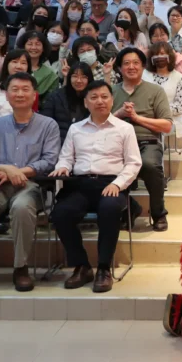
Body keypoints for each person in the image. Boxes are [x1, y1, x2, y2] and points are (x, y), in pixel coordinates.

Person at [0, 73, 60, 291]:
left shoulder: (48, 125)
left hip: (31, 185)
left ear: (35, 95)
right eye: (14, 89)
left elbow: (50, 160)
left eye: (25, 89)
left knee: (22, 207)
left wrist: (18, 172)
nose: (20, 94)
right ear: (7, 95)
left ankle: (21, 267)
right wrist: (7, 169)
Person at [49, 80, 141, 293]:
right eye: (94, 97)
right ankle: (81, 266)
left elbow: (134, 163)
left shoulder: (125, 128)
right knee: (61, 213)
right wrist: (62, 167)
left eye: (104, 96)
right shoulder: (75, 129)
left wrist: (117, 184)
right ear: (86, 102)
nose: (100, 101)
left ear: (112, 100)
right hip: (80, 184)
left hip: (111, 183)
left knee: (109, 209)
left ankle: (103, 268)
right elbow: (65, 158)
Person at [111, 48, 173, 231]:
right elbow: (99, 123)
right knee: (104, 167)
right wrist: (119, 114)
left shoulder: (155, 90)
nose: (131, 67)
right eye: (126, 63)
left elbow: (167, 125)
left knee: (150, 165)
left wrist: (137, 118)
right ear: (120, 68)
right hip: (116, 144)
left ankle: (158, 213)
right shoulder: (110, 91)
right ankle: (128, 209)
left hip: (147, 142)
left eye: (136, 63)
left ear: (143, 66)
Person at [143, 42, 182, 139]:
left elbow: (180, 105)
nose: (159, 57)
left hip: (170, 119)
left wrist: (159, 112)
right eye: (156, 54)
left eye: (162, 54)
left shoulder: (179, 77)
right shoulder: (144, 75)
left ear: (170, 56)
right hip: (145, 117)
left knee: (154, 128)